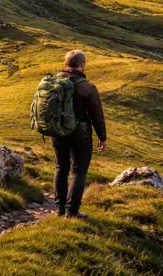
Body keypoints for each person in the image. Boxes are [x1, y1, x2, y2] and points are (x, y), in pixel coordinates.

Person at [52, 50, 106, 219]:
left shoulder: (53, 82)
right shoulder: (88, 87)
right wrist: (102, 137)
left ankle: (60, 209)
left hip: (57, 132)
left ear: (65, 63)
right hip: (80, 135)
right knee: (78, 172)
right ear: (82, 65)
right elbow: (97, 116)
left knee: (61, 168)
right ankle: (72, 211)